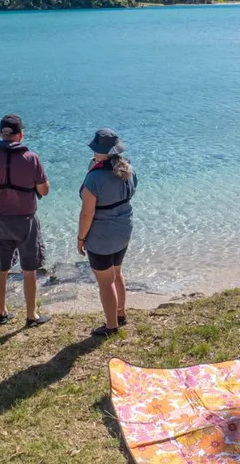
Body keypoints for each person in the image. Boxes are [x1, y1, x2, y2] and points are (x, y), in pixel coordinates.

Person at [0, 114, 51, 328]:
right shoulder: (31, 158)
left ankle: (2, 312)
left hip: (0, 220)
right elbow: (44, 190)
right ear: (20, 135)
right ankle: (31, 315)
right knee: (29, 269)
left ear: (1, 133)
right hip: (26, 221)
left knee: (1, 268)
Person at [78, 129, 137, 337]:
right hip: (124, 229)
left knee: (105, 282)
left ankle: (111, 326)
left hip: (101, 236)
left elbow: (87, 214)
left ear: (97, 151)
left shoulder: (94, 178)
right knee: (117, 273)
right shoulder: (128, 169)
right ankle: (120, 314)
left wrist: (81, 238)